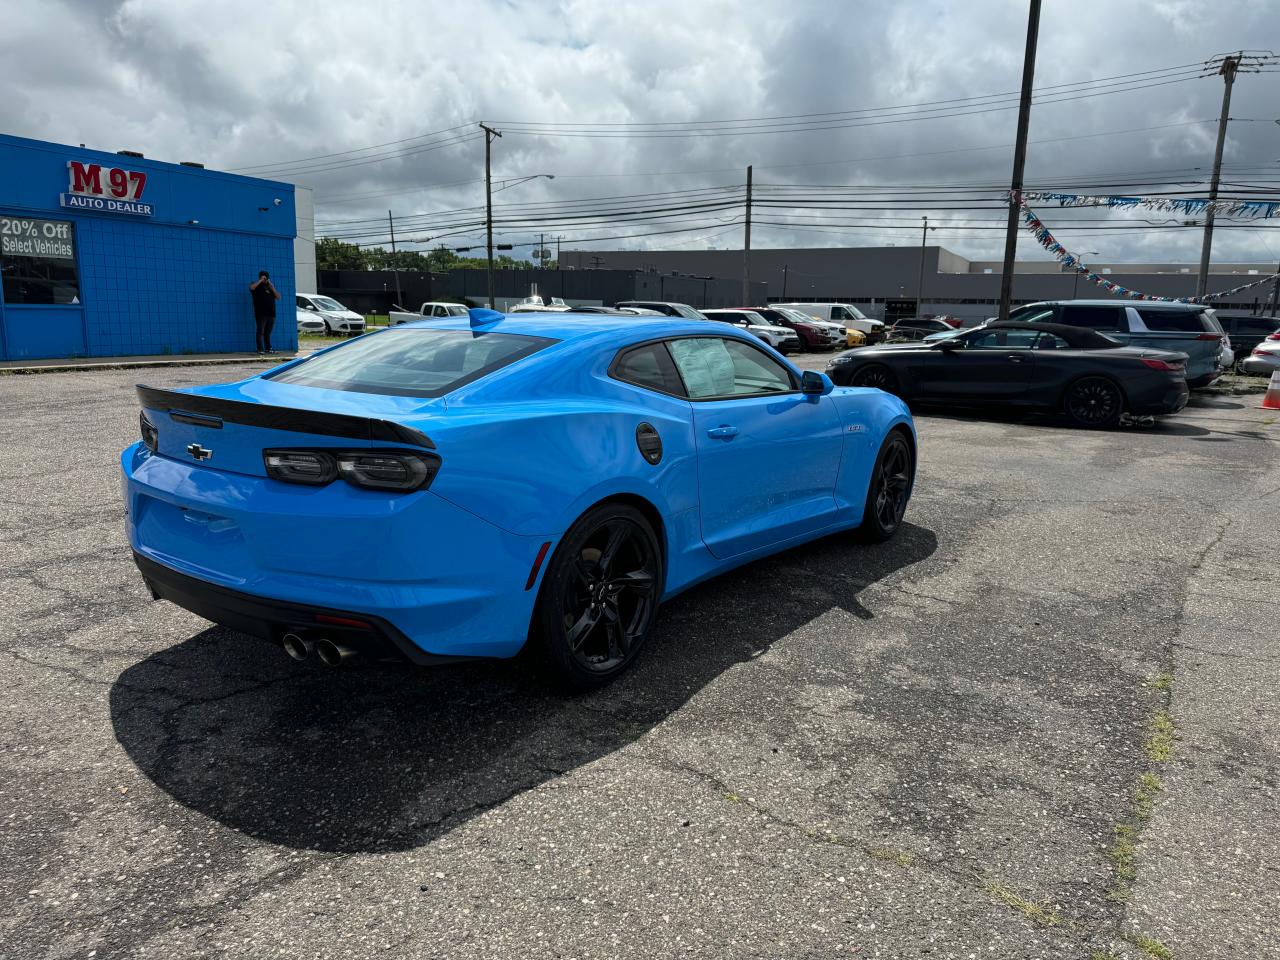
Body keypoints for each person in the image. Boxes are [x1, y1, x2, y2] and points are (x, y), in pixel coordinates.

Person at [249, 271, 280, 354]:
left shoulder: (270, 287)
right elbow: (252, 288)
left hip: (271, 314)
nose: (265, 279)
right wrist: (260, 281)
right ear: (260, 277)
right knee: (260, 331)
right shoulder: (256, 286)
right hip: (261, 313)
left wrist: (272, 287)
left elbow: (278, 297)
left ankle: (268, 348)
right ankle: (260, 349)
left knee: (267, 333)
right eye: (263, 277)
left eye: (266, 278)